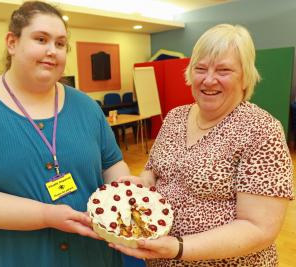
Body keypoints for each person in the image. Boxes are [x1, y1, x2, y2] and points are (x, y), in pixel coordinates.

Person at [0, 1, 130, 266]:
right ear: (12, 42)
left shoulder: (85, 106)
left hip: (92, 252)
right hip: (20, 255)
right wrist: (44, 215)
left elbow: (112, 163)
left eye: (61, 44)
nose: (52, 51)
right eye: (41, 39)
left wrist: (125, 190)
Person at [111, 24, 294, 266]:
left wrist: (178, 248)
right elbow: (153, 172)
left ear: (245, 76)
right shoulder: (175, 117)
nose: (209, 80)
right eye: (200, 68)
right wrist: (142, 184)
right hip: (160, 258)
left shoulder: (261, 130)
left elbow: (258, 228)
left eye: (224, 70)